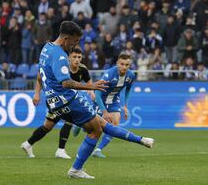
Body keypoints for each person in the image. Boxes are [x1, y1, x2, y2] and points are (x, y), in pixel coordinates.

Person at [25, 21, 154, 179]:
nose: (75, 45)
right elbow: (66, 82)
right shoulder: (59, 54)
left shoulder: (46, 48)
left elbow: (39, 75)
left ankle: (141, 140)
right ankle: (76, 169)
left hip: (54, 103)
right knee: (96, 130)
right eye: (75, 41)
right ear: (67, 38)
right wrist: (91, 87)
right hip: (68, 99)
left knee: (101, 124)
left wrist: (39, 93)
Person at [21, 46, 94, 159]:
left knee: (48, 126)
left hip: (68, 100)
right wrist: (37, 93)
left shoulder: (83, 69)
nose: (77, 59)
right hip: (56, 99)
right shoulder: (61, 65)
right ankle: (60, 150)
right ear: (68, 57)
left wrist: (92, 93)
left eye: (79, 57)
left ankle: (28, 144)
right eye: (74, 57)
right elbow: (41, 76)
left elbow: (89, 83)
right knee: (69, 121)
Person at [75, 54, 138, 158]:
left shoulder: (131, 75)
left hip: (114, 99)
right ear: (118, 63)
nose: (124, 67)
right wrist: (105, 112)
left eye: (127, 65)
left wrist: (125, 106)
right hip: (101, 99)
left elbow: (128, 89)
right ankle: (79, 125)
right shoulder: (109, 74)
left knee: (115, 123)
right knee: (92, 128)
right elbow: (98, 94)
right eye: (122, 64)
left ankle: (98, 150)